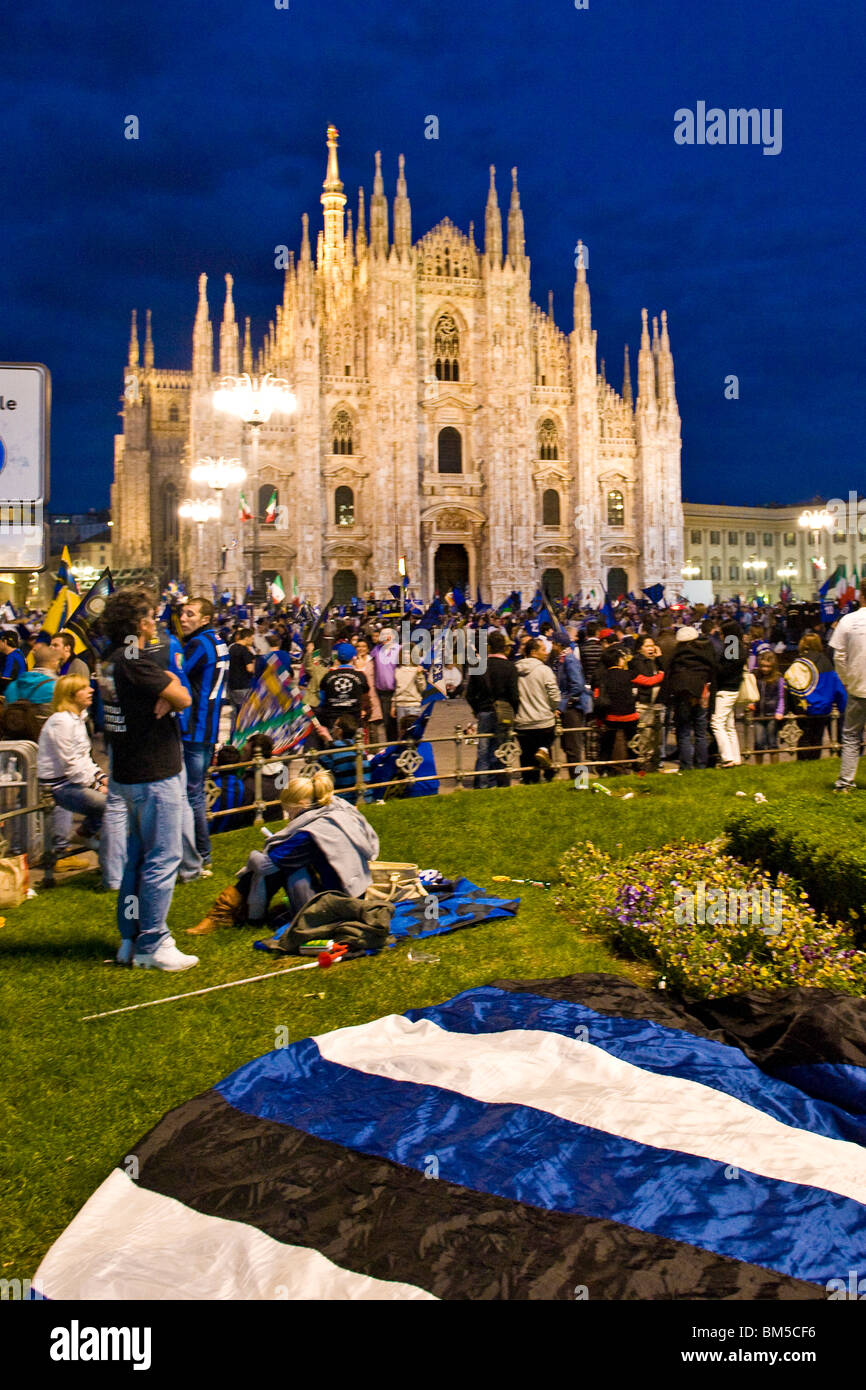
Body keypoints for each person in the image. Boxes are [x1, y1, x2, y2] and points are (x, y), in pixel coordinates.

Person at [98, 588, 197, 972]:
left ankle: (130, 936)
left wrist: (168, 685)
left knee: (136, 861)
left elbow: (170, 689)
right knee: (163, 857)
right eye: (150, 616)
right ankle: (153, 942)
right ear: (139, 623)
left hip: (127, 771)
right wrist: (172, 690)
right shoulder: (135, 658)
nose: (155, 621)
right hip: (153, 771)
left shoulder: (111, 659)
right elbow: (184, 698)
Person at [187, 769, 379, 936]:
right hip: (353, 898)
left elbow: (265, 865)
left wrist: (254, 855)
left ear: (300, 805)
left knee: (275, 864)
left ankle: (225, 911)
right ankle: (226, 909)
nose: (287, 816)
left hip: (332, 909)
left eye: (288, 810)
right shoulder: (337, 811)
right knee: (282, 858)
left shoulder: (310, 833)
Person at [179, 597, 230, 870]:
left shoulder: (199, 644)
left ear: (205, 619)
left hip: (194, 729)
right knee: (194, 792)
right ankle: (200, 853)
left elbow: (179, 673)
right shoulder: (220, 642)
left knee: (192, 794)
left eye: (190, 614)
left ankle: (200, 854)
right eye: (182, 613)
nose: (183, 618)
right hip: (208, 728)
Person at [37, 675, 107, 866]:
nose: (91, 690)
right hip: (59, 787)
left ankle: (89, 836)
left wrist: (102, 778)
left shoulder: (77, 719)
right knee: (112, 805)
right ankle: (107, 859)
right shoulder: (62, 722)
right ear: (71, 695)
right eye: (84, 688)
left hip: (71, 781)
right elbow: (71, 765)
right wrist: (97, 786)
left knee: (117, 797)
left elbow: (85, 759)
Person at [465, 629, 519, 789]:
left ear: (488, 647)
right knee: (502, 748)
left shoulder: (479, 666)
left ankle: (482, 784)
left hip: (484, 712)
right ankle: (500, 782)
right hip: (504, 714)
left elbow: (469, 694)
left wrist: (478, 709)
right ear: (504, 647)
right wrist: (513, 711)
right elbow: (514, 695)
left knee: (483, 750)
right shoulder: (510, 667)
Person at [785, 631, 847, 762]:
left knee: (805, 737)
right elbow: (837, 686)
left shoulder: (800, 663)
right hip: (824, 709)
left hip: (805, 708)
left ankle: (803, 762)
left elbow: (790, 681)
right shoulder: (826, 662)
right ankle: (815, 761)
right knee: (817, 738)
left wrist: (790, 707)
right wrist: (843, 707)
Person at [664, 625, 717, 771]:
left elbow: (670, 677)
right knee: (700, 733)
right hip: (702, 696)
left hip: (683, 697)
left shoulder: (677, 657)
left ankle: (686, 765)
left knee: (684, 732)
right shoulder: (704, 655)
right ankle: (701, 764)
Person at [830, 585, 866, 790]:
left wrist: (847, 680)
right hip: (857, 685)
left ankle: (845, 782)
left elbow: (839, 656)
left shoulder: (848, 620)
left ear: (861, 595)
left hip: (858, 687)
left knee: (852, 735)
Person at [514, 637, 559, 783]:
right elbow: (554, 695)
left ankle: (529, 780)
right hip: (543, 720)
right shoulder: (544, 670)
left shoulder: (515, 669)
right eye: (543, 649)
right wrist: (553, 708)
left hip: (522, 721)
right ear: (534, 652)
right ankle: (548, 773)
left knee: (526, 755)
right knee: (544, 747)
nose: (546, 653)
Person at [550, 635, 592, 774]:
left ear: (558, 645)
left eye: (553, 644)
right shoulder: (563, 660)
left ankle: (580, 783)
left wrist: (562, 705)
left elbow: (577, 686)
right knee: (569, 746)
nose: (552, 647)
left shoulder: (569, 660)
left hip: (573, 708)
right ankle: (576, 782)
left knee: (574, 747)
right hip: (570, 706)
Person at [595, 646, 639, 773]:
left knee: (607, 745)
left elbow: (598, 698)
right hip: (630, 716)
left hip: (611, 718)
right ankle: (637, 768)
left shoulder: (602, 676)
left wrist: (599, 720)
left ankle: (601, 768)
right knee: (633, 744)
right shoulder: (628, 674)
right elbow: (647, 681)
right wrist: (662, 672)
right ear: (618, 660)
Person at [2, 643, 60, 733]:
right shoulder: (57, 686)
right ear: (53, 662)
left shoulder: (13, 686)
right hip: (44, 740)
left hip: (16, 741)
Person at [710, 620, 745, 767]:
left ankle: (727, 757)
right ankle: (735, 757)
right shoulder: (739, 645)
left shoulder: (732, 645)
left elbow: (726, 670)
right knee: (729, 725)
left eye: (722, 633)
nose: (721, 636)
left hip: (726, 689)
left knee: (717, 723)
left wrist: (714, 665)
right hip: (734, 688)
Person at [629, 634, 665, 771]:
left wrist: (659, 657)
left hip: (656, 704)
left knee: (656, 738)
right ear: (639, 648)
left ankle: (654, 765)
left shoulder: (655, 661)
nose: (651, 649)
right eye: (647, 646)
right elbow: (648, 679)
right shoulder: (637, 661)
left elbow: (665, 671)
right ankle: (642, 767)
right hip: (644, 704)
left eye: (652, 645)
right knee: (644, 737)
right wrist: (661, 675)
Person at [318, 642, 369, 729]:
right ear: (354, 658)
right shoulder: (360, 676)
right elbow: (365, 694)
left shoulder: (328, 676)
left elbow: (322, 697)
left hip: (332, 722)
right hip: (354, 722)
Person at [749, 649, 785, 764]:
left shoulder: (778, 678)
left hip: (772, 714)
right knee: (758, 742)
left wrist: (780, 711)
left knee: (772, 741)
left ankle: (774, 765)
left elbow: (781, 696)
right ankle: (759, 766)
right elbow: (753, 692)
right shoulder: (756, 676)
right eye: (763, 666)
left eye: (768, 667)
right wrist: (752, 703)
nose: (765, 669)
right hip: (758, 713)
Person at [209, 744, 256, 832]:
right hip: (233, 830)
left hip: (209, 831)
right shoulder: (246, 788)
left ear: (217, 762)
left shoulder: (209, 784)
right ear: (238, 765)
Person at [242, 732, 285, 817]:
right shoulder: (282, 768)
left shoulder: (249, 780)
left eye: (245, 751)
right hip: (278, 815)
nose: (242, 753)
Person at [372, 627, 400, 739]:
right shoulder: (376, 650)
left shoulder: (400, 649)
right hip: (382, 693)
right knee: (387, 723)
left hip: (397, 692)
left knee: (397, 722)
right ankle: (390, 746)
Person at [227, 627, 255, 731]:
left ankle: (233, 737)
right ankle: (241, 737)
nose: (252, 641)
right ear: (247, 638)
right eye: (252, 638)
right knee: (244, 716)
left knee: (235, 714)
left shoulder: (231, 648)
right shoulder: (244, 650)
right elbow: (250, 668)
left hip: (231, 686)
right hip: (243, 685)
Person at [393, 646, 427, 722]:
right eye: (404, 653)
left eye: (408, 653)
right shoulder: (397, 670)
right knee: (401, 731)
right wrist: (393, 705)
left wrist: (419, 675)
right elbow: (396, 689)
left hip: (414, 705)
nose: (406, 655)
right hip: (400, 705)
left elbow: (422, 688)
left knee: (414, 730)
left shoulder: (417, 670)